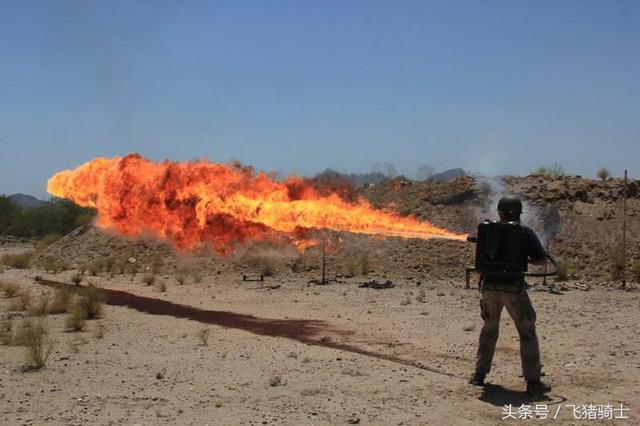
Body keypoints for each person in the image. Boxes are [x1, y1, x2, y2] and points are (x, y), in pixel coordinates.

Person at [468, 195, 551, 397]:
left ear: (501, 213)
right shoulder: (524, 232)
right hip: (513, 289)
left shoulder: (488, 231)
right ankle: (533, 382)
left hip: (489, 288)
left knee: (489, 330)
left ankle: (479, 375)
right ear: (518, 213)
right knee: (527, 331)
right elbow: (541, 261)